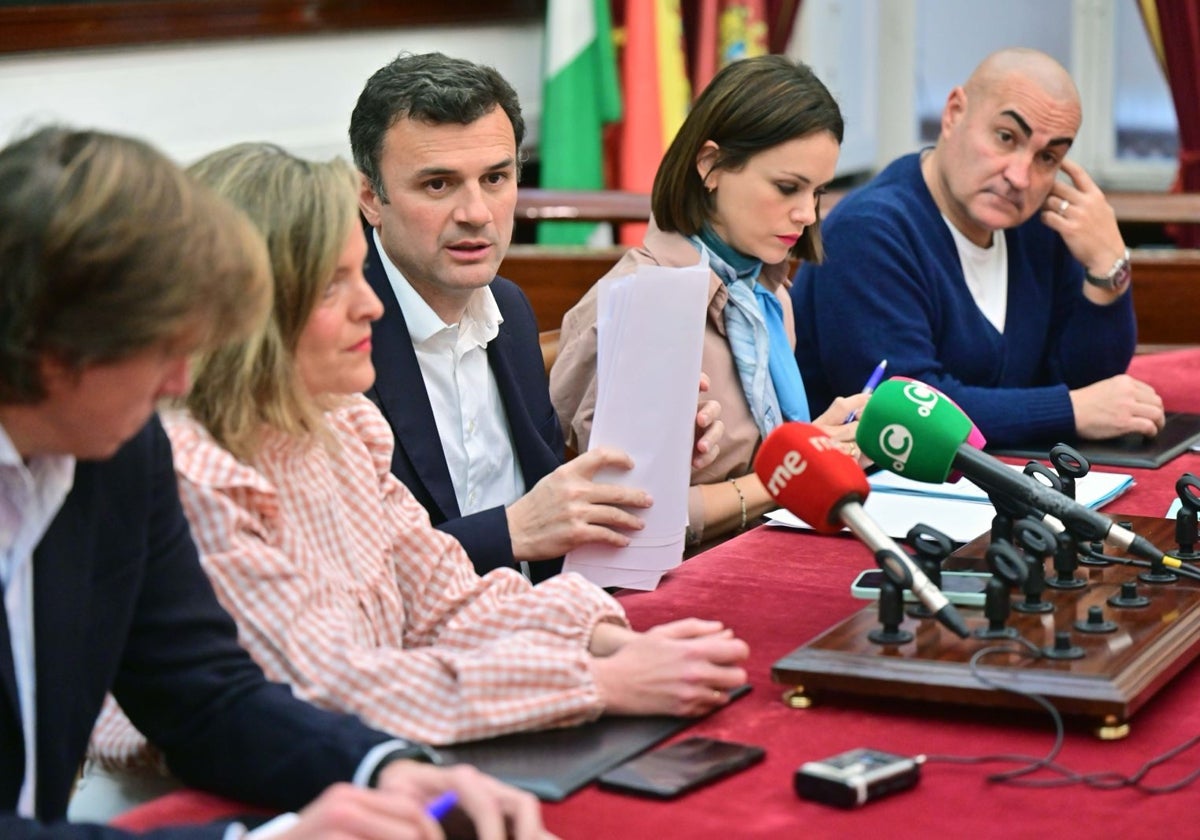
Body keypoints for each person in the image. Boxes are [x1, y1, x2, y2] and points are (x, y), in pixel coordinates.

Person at [84, 143, 749, 805]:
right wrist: (597, 684)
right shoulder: (191, 474)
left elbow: (445, 600)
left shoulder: (341, 424)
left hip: (361, 764)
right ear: (245, 310)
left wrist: (604, 639)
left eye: (359, 275)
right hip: (201, 800)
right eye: (330, 286)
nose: (370, 305)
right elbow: (330, 687)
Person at [0, 127, 546, 838]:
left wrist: (383, 766)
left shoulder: (119, 454)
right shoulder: (151, 446)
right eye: (159, 350)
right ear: (52, 355)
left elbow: (202, 693)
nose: (181, 379)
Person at [349, 52, 723, 578]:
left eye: (496, 178)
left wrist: (650, 457)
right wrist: (510, 531)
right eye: (438, 184)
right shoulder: (334, 335)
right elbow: (346, 565)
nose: (476, 213)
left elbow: (551, 508)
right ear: (370, 197)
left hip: (544, 623)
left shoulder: (510, 309)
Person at [551, 55, 867, 545]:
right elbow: (627, 519)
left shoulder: (769, 295)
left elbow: (756, 461)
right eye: (787, 188)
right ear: (711, 166)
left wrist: (818, 442)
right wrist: (790, 475)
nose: (807, 213)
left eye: (818, 191)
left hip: (761, 548)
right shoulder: (645, 304)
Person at [791, 47, 1165, 448]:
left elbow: (1094, 393)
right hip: (870, 491)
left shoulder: (1040, 228)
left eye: (1048, 157)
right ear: (953, 114)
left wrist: (1107, 268)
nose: (1021, 177)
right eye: (1006, 137)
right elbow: (907, 410)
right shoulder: (869, 231)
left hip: (1007, 483)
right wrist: (1069, 411)